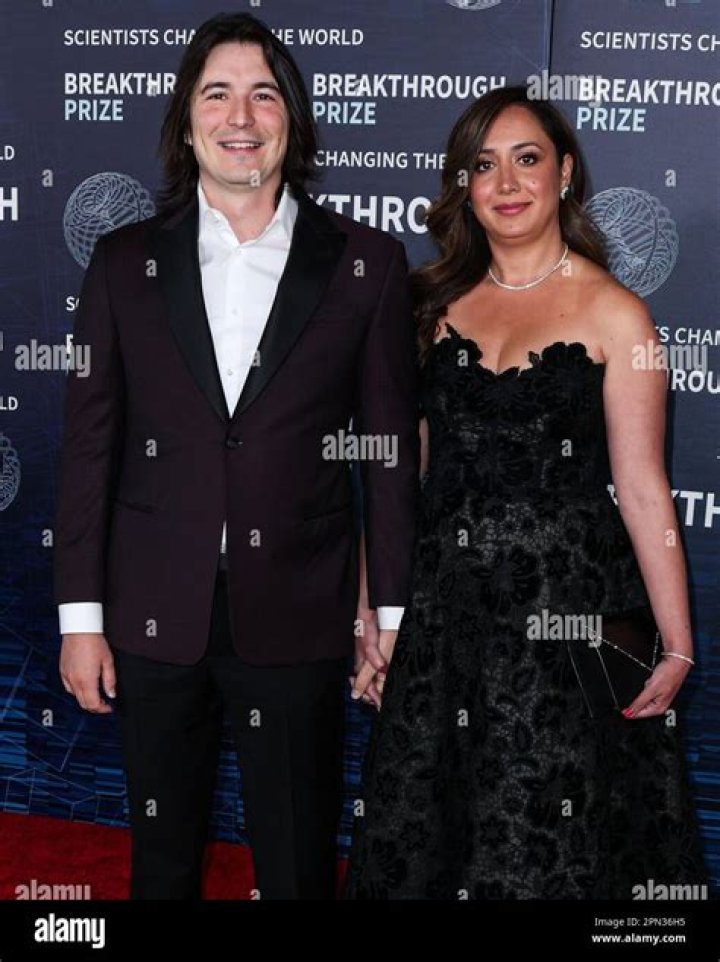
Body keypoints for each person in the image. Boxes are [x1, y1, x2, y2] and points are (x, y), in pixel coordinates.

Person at [53, 12, 419, 900]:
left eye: (264, 95)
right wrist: (80, 619)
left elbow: (387, 457)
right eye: (217, 94)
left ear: (292, 120)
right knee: (162, 862)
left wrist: (392, 615)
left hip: (300, 611)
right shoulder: (123, 263)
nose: (241, 117)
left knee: (297, 866)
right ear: (187, 122)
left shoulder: (366, 263)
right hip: (151, 613)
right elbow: (89, 447)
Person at [344, 86, 708, 899]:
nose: (506, 183)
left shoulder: (618, 315)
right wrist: (372, 608)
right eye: (484, 165)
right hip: (446, 618)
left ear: (565, 173)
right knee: (434, 830)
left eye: (527, 159)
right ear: (463, 186)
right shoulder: (429, 308)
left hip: (572, 622)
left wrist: (677, 643)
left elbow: (642, 487)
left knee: (552, 839)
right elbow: (404, 479)